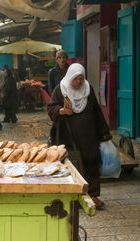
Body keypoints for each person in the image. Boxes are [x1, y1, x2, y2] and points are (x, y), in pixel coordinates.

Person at [47, 63, 111, 210]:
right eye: (76, 79)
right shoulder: (61, 90)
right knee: (71, 166)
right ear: (70, 77)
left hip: (88, 136)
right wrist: (61, 111)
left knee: (91, 163)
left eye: (81, 79)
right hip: (67, 136)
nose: (78, 82)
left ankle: (93, 195)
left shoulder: (88, 90)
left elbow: (96, 111)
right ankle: (71, 196)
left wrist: (103, 132)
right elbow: (50, 107)